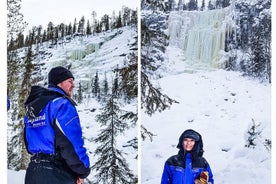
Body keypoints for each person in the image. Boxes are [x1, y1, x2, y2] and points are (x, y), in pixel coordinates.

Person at [24, 66, 91, 184]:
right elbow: (71, 142)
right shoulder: (62, 104)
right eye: (70, 81)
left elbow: (27, 140)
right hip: (57, 173)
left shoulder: (34, 106)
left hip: (33, 172)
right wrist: (82, 171)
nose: (73, 85)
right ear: (59, 82)